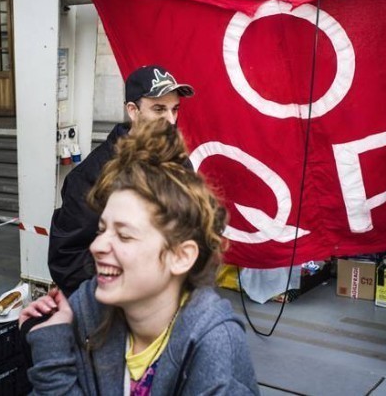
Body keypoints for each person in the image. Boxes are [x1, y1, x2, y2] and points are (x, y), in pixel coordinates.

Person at [21, 120, 259, 394]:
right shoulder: (86, 307)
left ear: (181, 256)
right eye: (101, 229)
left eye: (124, 235)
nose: (97, 245)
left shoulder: (213, 344)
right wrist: (51, 343)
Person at [49, 65, 195, 296]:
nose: (170, 119)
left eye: (174, 109)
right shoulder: (92, 175)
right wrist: (125, 290)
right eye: (159, 109)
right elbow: (67, 259)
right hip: (116, 311)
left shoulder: (181, 164)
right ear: (132, 110)